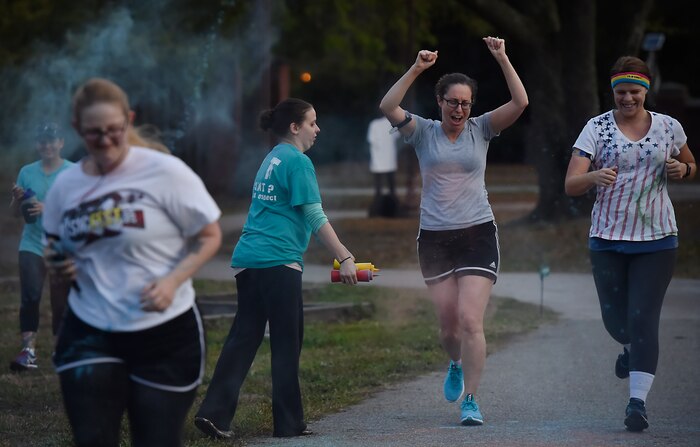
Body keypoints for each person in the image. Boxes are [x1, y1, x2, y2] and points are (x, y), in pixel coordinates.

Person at [42, 77, 222, 447]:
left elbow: (210, 236)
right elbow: (55, 247)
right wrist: (57, 264)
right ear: (77, 129)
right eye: (94, 134)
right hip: (90, 331)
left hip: (164, 332)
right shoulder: (65, 186)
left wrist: (172, 282)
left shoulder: (164, 172)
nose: (105, 141)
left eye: (114, 130)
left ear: (129, 120)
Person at [379, 37, 528, 426]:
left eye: (465, 103)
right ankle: (455, 362)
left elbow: (520, 104)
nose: (459, 109)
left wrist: (502, 58)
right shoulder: (422, 131)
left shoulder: (482, 129)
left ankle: (472, 401)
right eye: (452, 102)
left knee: (469, 319)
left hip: (478, 233)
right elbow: (388, 107)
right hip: (435, 239)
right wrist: (416, 68)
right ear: (440, 102)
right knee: (448, 326)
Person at [194, 98, 358, 439]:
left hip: (247, 259)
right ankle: (289, 424)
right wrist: (344, 256)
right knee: (287, 342)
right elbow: (314, 215)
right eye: (312, 123)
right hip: (278, 261)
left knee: (244, 336)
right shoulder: (298, 163)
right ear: (295, 127)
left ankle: (215, 414)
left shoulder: (272, 158)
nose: (318, 129)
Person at [565, 56, 695, 432]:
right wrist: (593, 176)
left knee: (643, 319)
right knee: (617, 322)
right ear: (613, 92)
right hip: (606, 238)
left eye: (634, 92)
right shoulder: (597, 129)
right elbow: (570, 184)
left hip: (657, 239)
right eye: (621, 92)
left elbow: (691, 164)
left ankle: (637, 404)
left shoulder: (669, 127)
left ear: (646, 91)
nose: (627, 99)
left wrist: (682, 169)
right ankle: (627, 349)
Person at [9, 122, 73, 372]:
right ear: (37, 144)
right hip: (32, 244)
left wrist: (48, 209)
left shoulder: (73, 172)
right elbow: (16, 214)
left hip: (61, 244)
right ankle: (28, 351)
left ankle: (60, 350)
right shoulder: (27, 172)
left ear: (61, 143)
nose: (46, 145)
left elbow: (81, 211)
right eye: (42, 141)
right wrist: (16, 200)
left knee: (61, 301)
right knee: (30, 297)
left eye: (52, 140)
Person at [367, 115, 399, 199]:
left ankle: (379, 200)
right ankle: (391, 200)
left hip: (380, 158)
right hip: (387, 158)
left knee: (379, 184)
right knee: (390, 183)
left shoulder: (374, 124)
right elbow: (396, 134)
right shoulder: (392, 124)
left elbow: (371, 139)